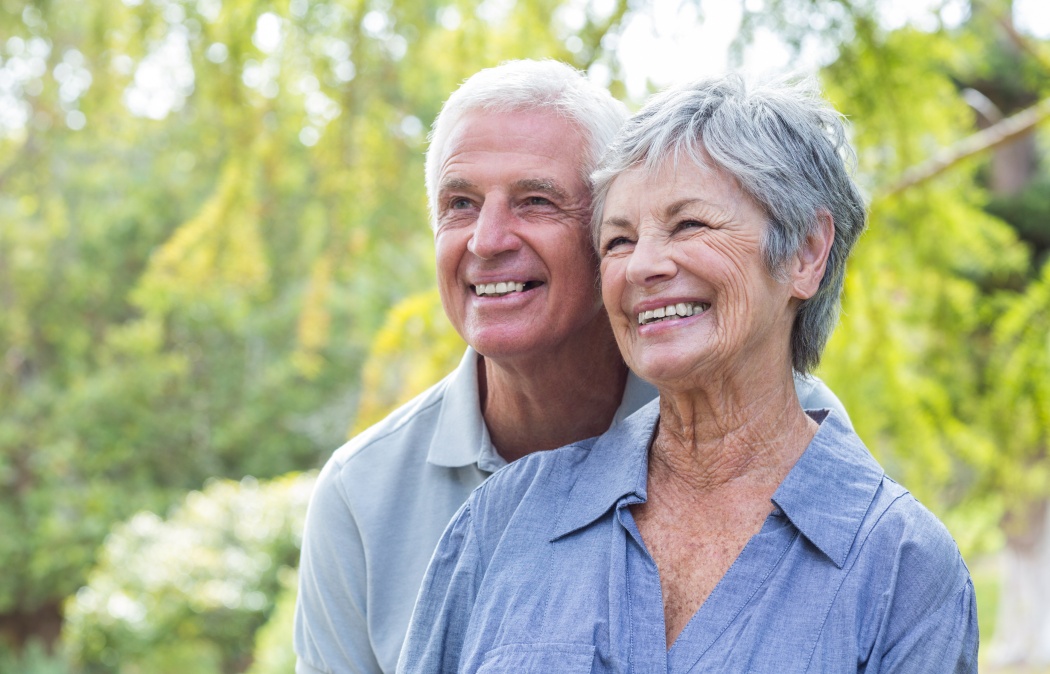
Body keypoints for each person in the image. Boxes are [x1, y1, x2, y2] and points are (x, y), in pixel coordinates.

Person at [397, 74, 978, 673]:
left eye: (689, 225)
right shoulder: (504, 519)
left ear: (805, 252)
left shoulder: (902, 566)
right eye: (618, 240)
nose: (643, 265)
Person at [294, 61, 851, 674]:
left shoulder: (789, 428)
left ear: (610, 235)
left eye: (536, 201)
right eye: (460, 204)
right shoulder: (361, 494)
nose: (486, 240)